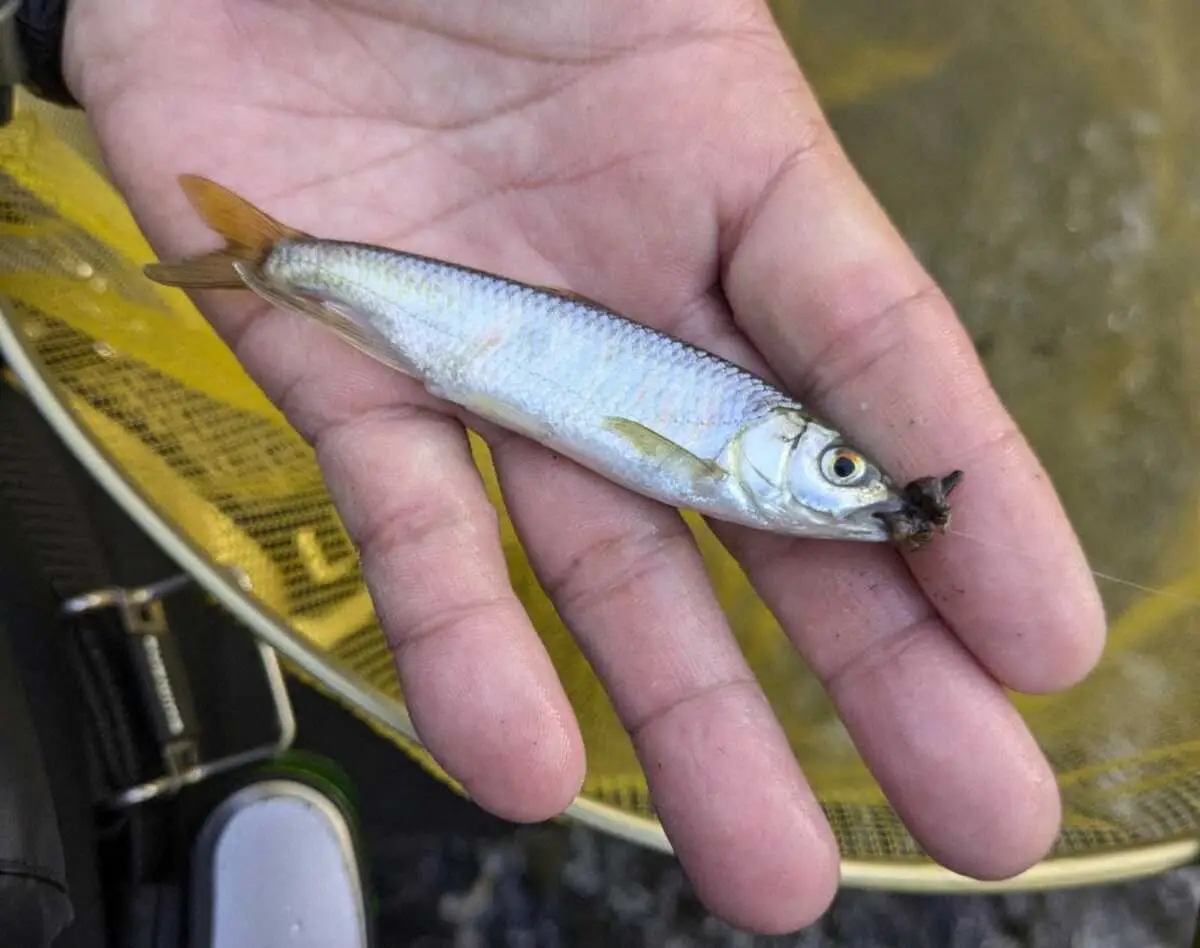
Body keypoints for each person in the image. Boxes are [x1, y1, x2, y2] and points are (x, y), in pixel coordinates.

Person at [51, 0, 1105, 935]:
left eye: (844, 472)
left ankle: (283, 265)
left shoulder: (782, 473)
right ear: (782, 443)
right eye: (836, 467)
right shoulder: (729, 452)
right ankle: (283, 262)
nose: (858, 492)